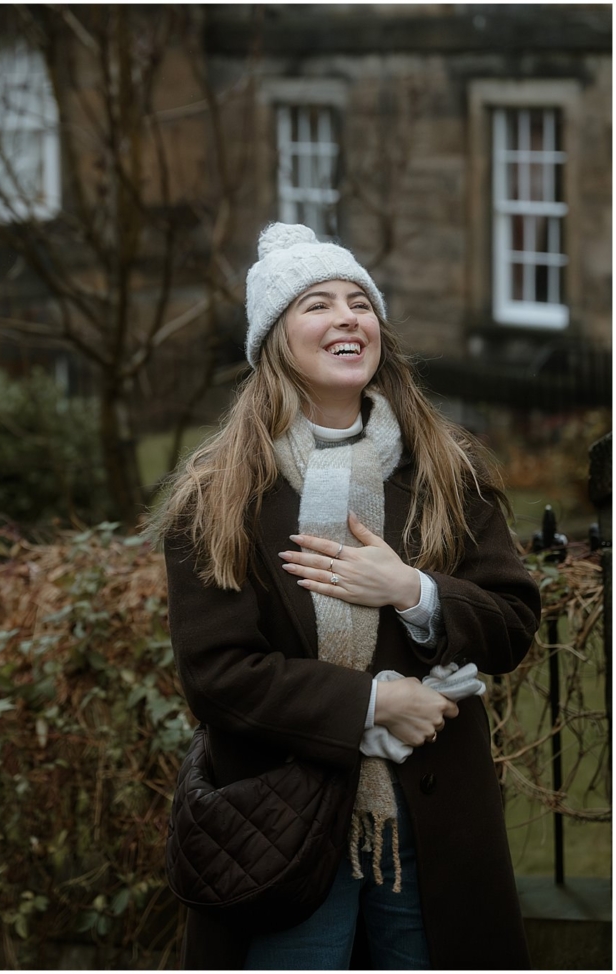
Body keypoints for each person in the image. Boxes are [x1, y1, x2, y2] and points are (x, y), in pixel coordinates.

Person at [149, 223, 540, 969]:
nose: (346, 318)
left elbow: (514, 621)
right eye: (316, 304)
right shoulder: (219, 496)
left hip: (431, 821)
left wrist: (414, 591)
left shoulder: (444, 471)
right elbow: (218, 676)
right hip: (286, 822)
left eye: (359, 302)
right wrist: (373, 705)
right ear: (275, 341)